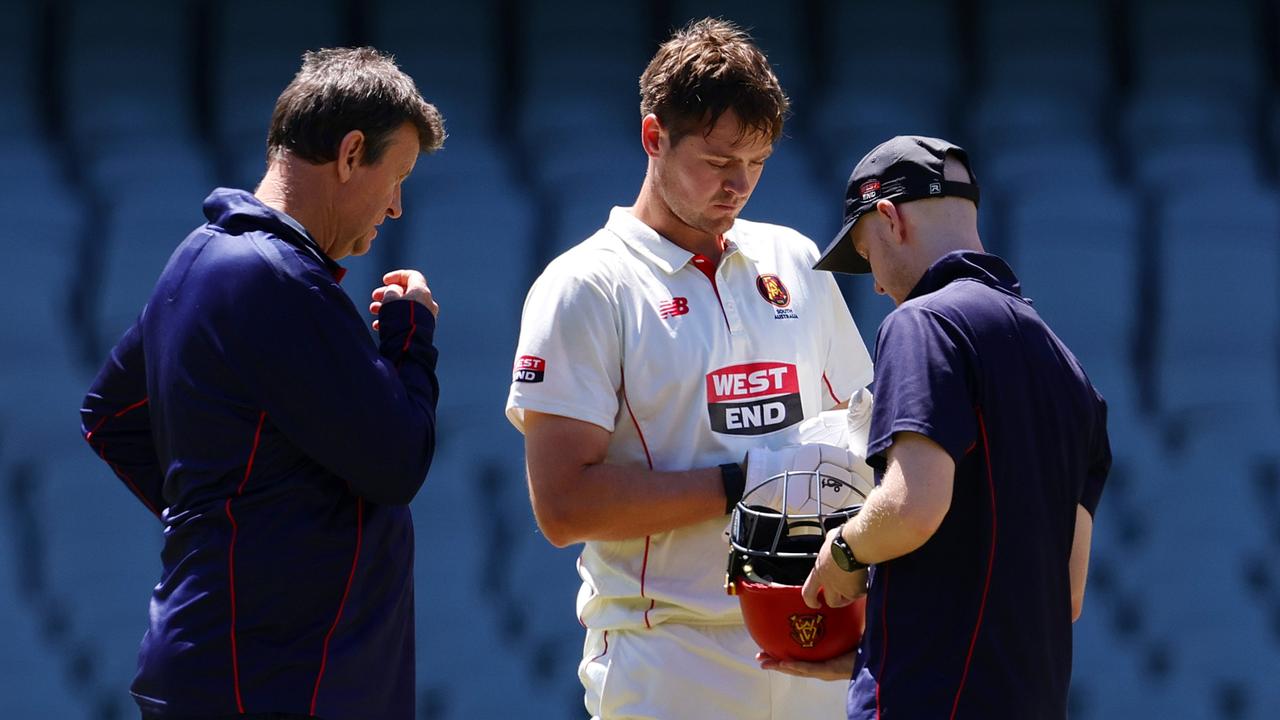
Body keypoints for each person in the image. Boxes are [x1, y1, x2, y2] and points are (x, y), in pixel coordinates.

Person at [505, 18, 874, 719]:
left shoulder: (795, 259)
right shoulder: (585, 284)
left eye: (757, 161)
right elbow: (562, 506)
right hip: (666, 659)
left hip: (813, 643)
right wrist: (749, 484)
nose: (738, 184)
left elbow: (862, 428)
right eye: (717, 160)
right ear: (654, 138)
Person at [80, 47, 445, 720]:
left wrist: (234, 520)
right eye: (397, 178)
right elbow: (399, 461)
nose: (395, 208)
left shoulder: (198, 258)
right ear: (350, 153)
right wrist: (410, 336)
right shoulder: (280, 279)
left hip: (228, 664)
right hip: (275, 677)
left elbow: (111, 415)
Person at [785, 135, 1111, 718]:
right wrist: (881, 643)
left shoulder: (925, 322)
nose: (878, 285)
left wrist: (844, 552)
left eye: (866, 256)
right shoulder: (1071, 370)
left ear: (889, 219)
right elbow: (1068, 593)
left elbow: (914, 505)